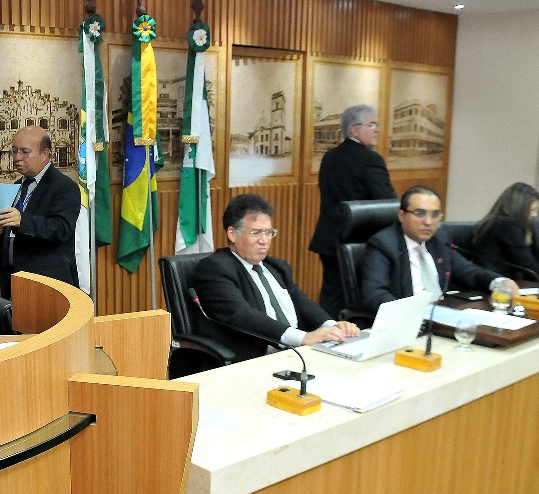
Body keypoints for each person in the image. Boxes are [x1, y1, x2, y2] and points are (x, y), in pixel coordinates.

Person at [192, 194, 360, 363]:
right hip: (254, 360)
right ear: (232, 234)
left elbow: (301, 302)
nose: (264, 240)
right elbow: (241, 315)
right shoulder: (215, 268)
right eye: (255, 233)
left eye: (269, 232)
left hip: (295, 354)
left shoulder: (276, 267)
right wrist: (303, 338)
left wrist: (332, 326)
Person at [359, 186, 517, 313]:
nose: (428, 222)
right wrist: (411, 313)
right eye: (419, 213)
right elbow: (374, 294)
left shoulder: (439, 240)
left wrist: (500, 282)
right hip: (408, 320)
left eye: (435, 215)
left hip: (441, 315)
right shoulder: (384, 244)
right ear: (401, 215)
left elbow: (469, 272)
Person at [308, 104, 397, 317]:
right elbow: (388, 204)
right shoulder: (371, 159)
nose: (377, 129)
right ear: (354, 130)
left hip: (329, 239)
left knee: (331, 296)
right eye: (372, 125)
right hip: (360, 243)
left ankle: (325, 330)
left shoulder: (329, 156)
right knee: (357, 301)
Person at [0, 125, 81, 299]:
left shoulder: (64, 187)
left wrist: (22, 221)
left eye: (25, 152)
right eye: (14, 151)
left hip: (47, 285)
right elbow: (12, 231)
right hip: (12, 280)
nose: (17, 158)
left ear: (45, 154)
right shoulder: (16, 186)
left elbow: (61, 229)